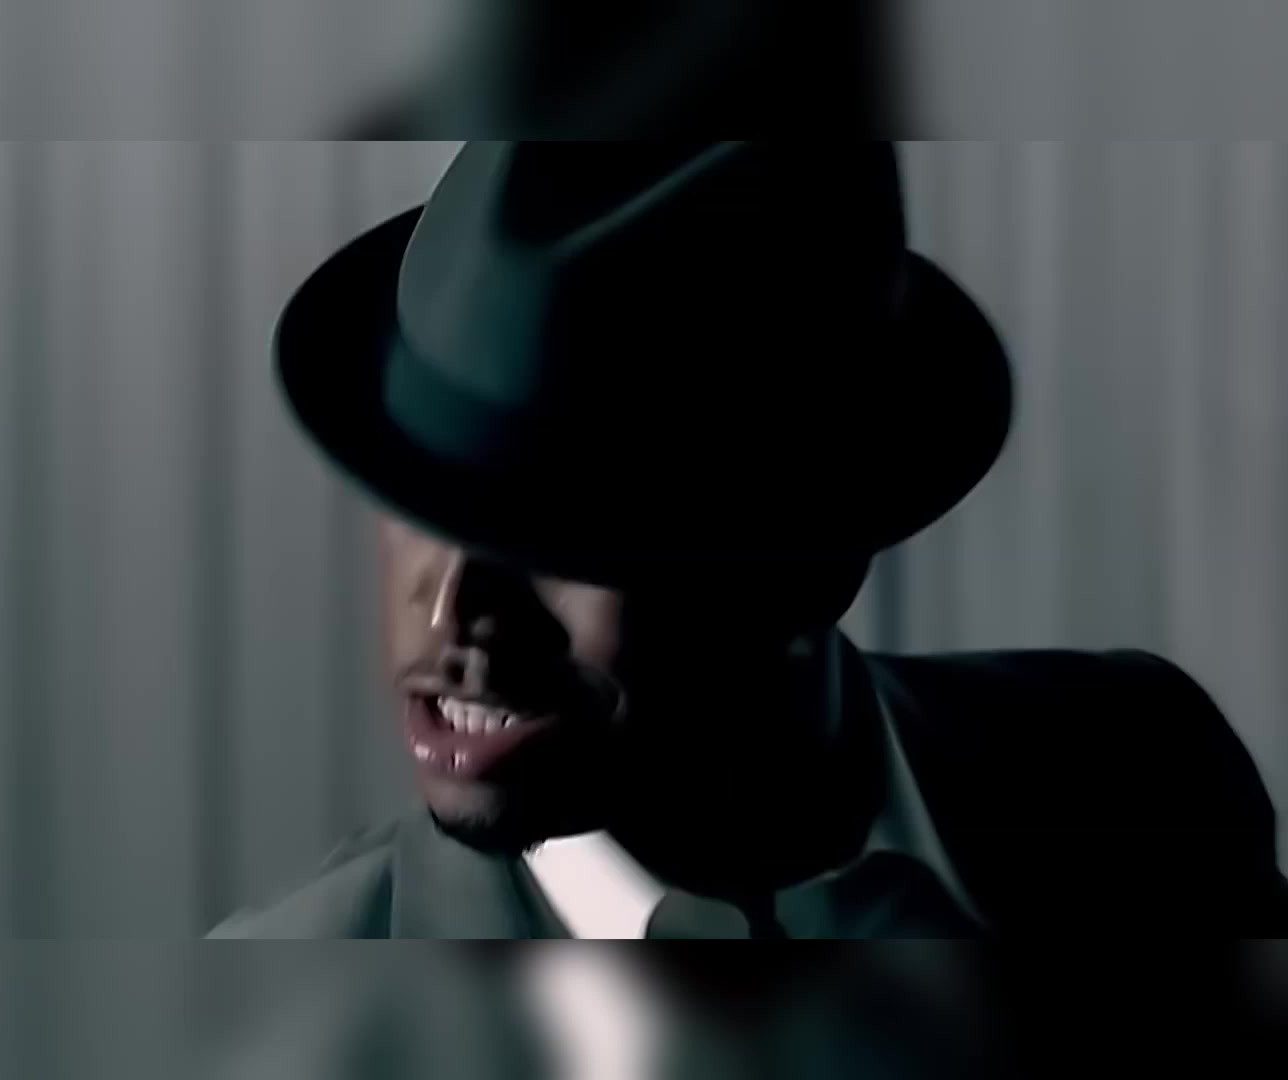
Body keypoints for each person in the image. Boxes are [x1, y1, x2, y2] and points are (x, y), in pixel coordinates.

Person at [207, 140, 1288, 938]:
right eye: (416, 505)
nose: (449, 613)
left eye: (556, 534)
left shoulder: (1143, 794)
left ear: (806, 559)